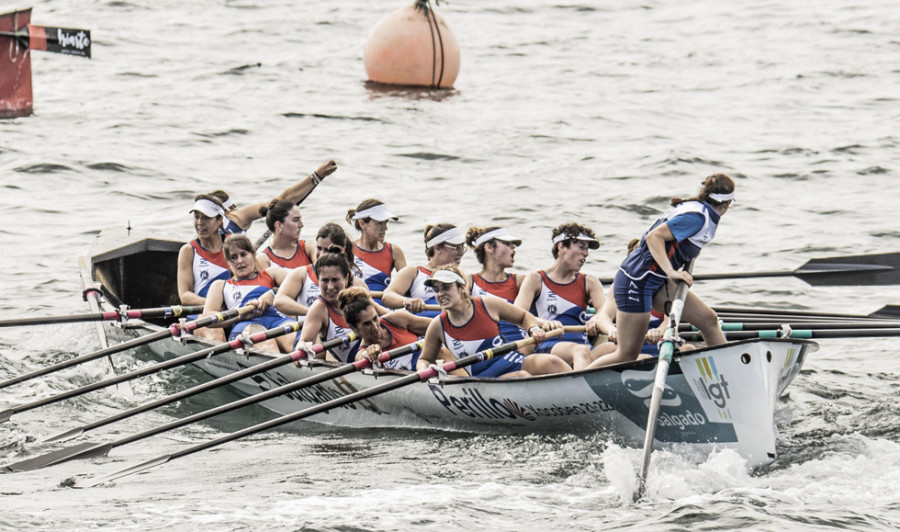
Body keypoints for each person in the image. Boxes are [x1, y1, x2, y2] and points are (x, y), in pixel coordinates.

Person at [587, 173, 735, 369]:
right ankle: (574, 388)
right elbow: (653, 237)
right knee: (627, 353)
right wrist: (672, 272)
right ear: (727, 203)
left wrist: (688, 256)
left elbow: (682, 243)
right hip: (637, 280)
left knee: (709, 320)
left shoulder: (699, 211)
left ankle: (729, 371)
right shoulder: (696, 217)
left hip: (655, 281)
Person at [416, 266, 572, 378]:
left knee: (552, 362)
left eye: (446, 287)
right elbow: (424, 359)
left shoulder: (488, 305)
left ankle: (586, 398)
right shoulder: (438, 325)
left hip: (512, 360)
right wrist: (423, 370)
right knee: (521, 377)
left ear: (462, 287)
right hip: (484, 380)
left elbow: (524, 317)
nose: (440, 294)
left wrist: (532, 330)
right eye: (436, 290)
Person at [514, 223, 608, 371]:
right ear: (561, 247)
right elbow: (517, 314)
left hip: (582, 345)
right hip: (547, 343)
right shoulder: (536, 279)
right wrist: (544, 323)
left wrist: (596, 318)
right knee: (581, 351)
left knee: (619, 347)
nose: (586, 253)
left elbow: (606, 311)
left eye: (587, 249)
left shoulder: (589, 281)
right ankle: (581, 391)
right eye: (582, 247)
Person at [200, 235, 296, 353]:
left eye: (244, 254)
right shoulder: (220, 285)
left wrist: (273, 293)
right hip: (246, 325)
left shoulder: (271, 273)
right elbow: (207, 317)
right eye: (233, 257)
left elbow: (301, 284)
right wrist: (240, 316)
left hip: (277, 321)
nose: (240, 261)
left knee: (296, 340)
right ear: (228, 263)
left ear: (253, 255)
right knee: (266, 344)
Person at [207, 160, 337, 236]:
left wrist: (317, 177)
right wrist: (317, 177)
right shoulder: (237, 216)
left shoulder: (237, 216)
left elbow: (280, 202)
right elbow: (282, 200)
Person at [273, 225, 366, 317]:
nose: (321, 254)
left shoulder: (356, 282)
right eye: (319, 248)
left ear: (342, 250)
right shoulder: (301, 274)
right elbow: (279, 301)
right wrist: (314, 313)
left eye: (327, 250)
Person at [292, 251, 363, 363]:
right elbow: (304, 341)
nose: (330, 287)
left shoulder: (358, 297)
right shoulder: (319, 308)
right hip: (359, 365)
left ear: (346, 278)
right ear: (317, 280)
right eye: (325, 280)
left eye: (335, 280)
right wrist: (302, 349)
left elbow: (384, 320)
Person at [381, 224, 466, 318]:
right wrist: (407, 301)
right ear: (437, 247)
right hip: (421, 326)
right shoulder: (413, 272)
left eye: (462, 247)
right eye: (456, 247)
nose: (461, 252)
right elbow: (388, 296)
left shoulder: (461, 278)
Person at [338, 287, 433, 371]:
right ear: (354, 328)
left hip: (436, 362)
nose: (375, 327)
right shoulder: (362, 353)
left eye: (375, 318)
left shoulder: (397, 319)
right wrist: (369, 354)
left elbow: (438, 327)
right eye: (367, 324)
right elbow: (362, 357)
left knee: (441, 351)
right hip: (418, 381)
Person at [465, 226, 528, 344]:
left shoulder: (521, 281)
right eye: (506, 243)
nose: (513, 247)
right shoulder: (469, 282)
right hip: (487, 344)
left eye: (513, 244)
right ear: (489, 248)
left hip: (520, 343)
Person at [346, 199, 407, 300]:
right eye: (379, 223)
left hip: (384, 309)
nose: (385, 228)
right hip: (355, 306)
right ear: (362, 224)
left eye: (386, 223)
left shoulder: (394, 252)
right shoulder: (347, 250)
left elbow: (407, 286)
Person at [176, 194, 230, 308]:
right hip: (202, 311)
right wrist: (212, 303)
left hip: (232, 306)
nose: (200, 222)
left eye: (206, 217)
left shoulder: (233, 244)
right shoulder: (188, 251)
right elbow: (185, 296)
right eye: (197, 217)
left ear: (219, 220)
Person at [255, 199, 317, 269]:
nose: (301, 225)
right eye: (296, 220)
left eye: (300, 219)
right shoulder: (263, 259)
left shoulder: (309, 248)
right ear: (278, 225)